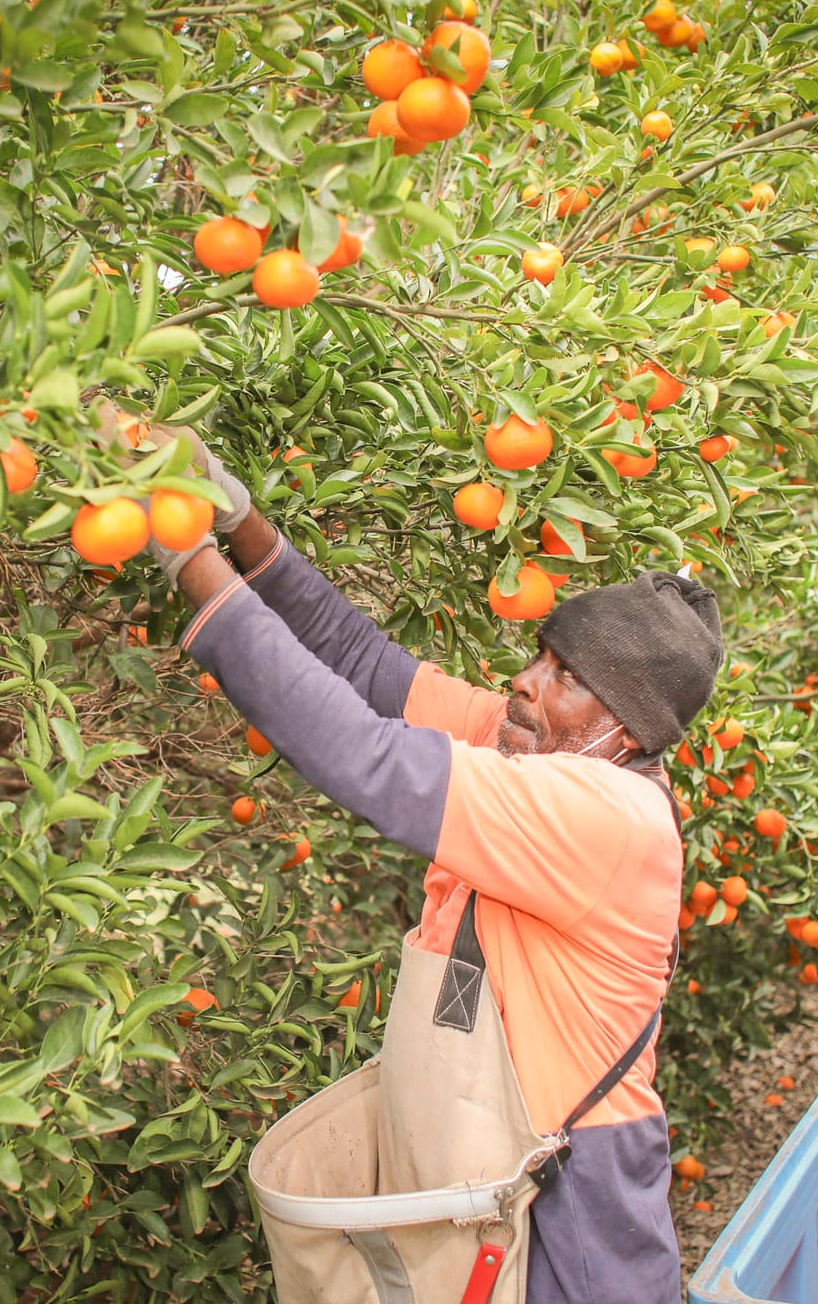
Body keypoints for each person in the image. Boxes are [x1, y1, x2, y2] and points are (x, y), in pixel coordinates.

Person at [142, 428, 723, 1304]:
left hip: (573, 1201)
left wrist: (190, 559)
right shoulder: (534, 747)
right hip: (489, 1170)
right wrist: (239, 520)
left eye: (565, 676)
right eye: (543, 656)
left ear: (628, 730)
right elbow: (372, 671)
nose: (526, 681)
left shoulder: (603, 815)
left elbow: (364, 754)